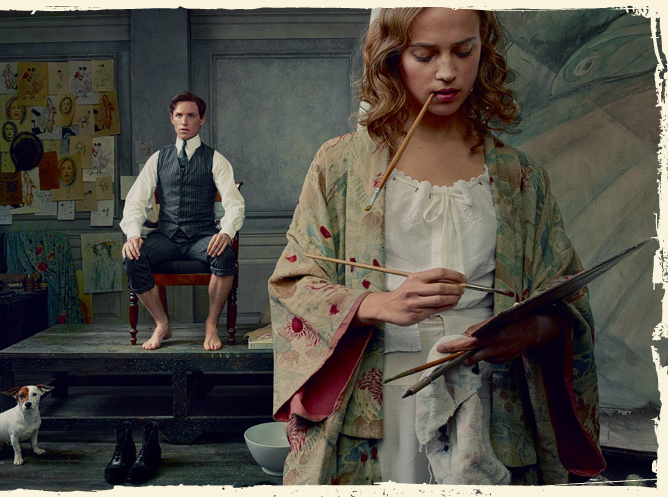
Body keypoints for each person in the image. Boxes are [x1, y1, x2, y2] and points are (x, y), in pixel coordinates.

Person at [268, 8, 604, 486]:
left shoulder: (521, 176)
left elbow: (569, 304)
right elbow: (292, 284)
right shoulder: (339, 165)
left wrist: (529, 331)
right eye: (424, 55)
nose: (447, 72)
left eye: (464, 51)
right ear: (392, 58)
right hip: (381, 406)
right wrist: (376, 304)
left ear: (484, 50)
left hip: (492, 400)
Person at [121, 91, 245, 351]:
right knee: (133, 258)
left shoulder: (216, 159)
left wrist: (226, 232)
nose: (184, 121)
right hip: (166, 238)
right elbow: (135, 201)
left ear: (202, 120)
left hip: (202, 237)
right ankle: (162, 323)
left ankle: (211, 324)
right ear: (172, 119)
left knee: (224, 255)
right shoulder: (158, 159)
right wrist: (133, 234)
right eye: (179, 115)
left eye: (191, 115)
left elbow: (234, 204)